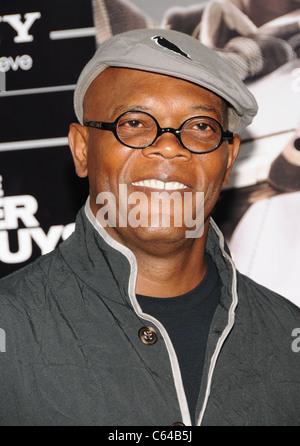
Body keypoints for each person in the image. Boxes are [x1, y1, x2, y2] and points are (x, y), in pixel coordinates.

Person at [0, 28, 299, 426]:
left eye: (200, 127)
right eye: (136, 122)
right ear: (82, 150)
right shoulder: (11, 328)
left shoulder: (287, 336)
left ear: (228, 161)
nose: (170, 147)